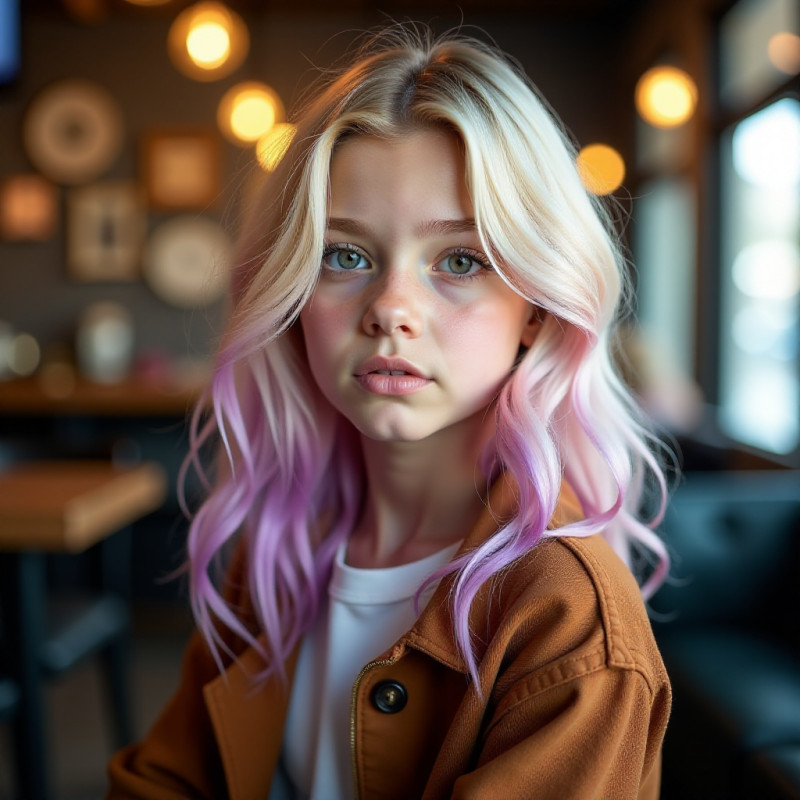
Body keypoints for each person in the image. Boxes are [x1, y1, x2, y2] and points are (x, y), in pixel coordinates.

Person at [107, 24, 672, 800]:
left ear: (536, 311)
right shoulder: (274, 552)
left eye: (461, 260)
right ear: (294, 295)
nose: (391, 309)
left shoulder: (567, 616)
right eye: (346, 255)